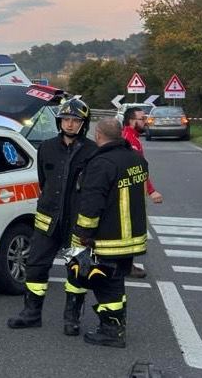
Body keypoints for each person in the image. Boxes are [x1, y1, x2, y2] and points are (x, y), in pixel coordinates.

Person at [7, 97, 98, 335]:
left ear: (83, 124)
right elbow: (43, 182)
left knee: (77, 270)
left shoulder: (92, 152)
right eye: (65, 119)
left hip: (76, 224)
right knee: (36, 266)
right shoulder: (46, 147)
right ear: (59, 122)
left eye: (75, 120)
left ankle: (72, 319)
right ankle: (31, 314)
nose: (69, 124)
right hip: (48, 220)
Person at [71, 117, 149, 348]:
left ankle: (112, 331)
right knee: (116, 284)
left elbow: (92, 203)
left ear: (98, 136)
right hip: (133, 238)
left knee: (106, 285)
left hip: (109, 239)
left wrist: (83, 233)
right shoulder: (136, 159)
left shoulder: (101, 163)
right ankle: (114, 325)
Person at [121, 107, 164, 278]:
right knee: (129, 229)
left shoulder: (133, 138)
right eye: (142, 118)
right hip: (129, 193)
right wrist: (152, 191)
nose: (145, 121)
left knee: (130, 229)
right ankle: (125, 266)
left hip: (133, 192)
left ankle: (126, 264)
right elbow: (137, 169)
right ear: (132, 120)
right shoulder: (129, 140)